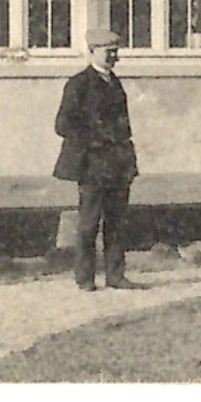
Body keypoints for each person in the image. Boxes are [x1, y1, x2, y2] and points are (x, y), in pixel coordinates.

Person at [53, 27, 145, 291]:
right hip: (93, 165)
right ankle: (85, 278)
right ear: (92, 52)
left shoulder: (114, 82)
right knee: (88, 223)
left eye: (116, 52)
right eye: (108, 52)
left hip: (118, 164)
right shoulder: (78, 84)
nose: (113, 57)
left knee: (117, 223)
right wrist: (94, 139)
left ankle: (116, 275)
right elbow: (62, 124)